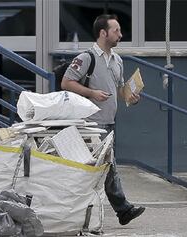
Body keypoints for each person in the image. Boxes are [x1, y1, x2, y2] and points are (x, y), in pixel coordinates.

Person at [61, 14, 145, 226]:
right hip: (90, 123)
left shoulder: (117, 60)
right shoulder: (86, 58)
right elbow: (66, 82)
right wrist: (92, 93)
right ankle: (122, 209)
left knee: (102, 167)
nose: (121, 34)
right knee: (107, 166)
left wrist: (131, 97)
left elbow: (119, 90)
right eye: (116, 31)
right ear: (102, 33)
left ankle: (90, 210)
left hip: (109, 121)